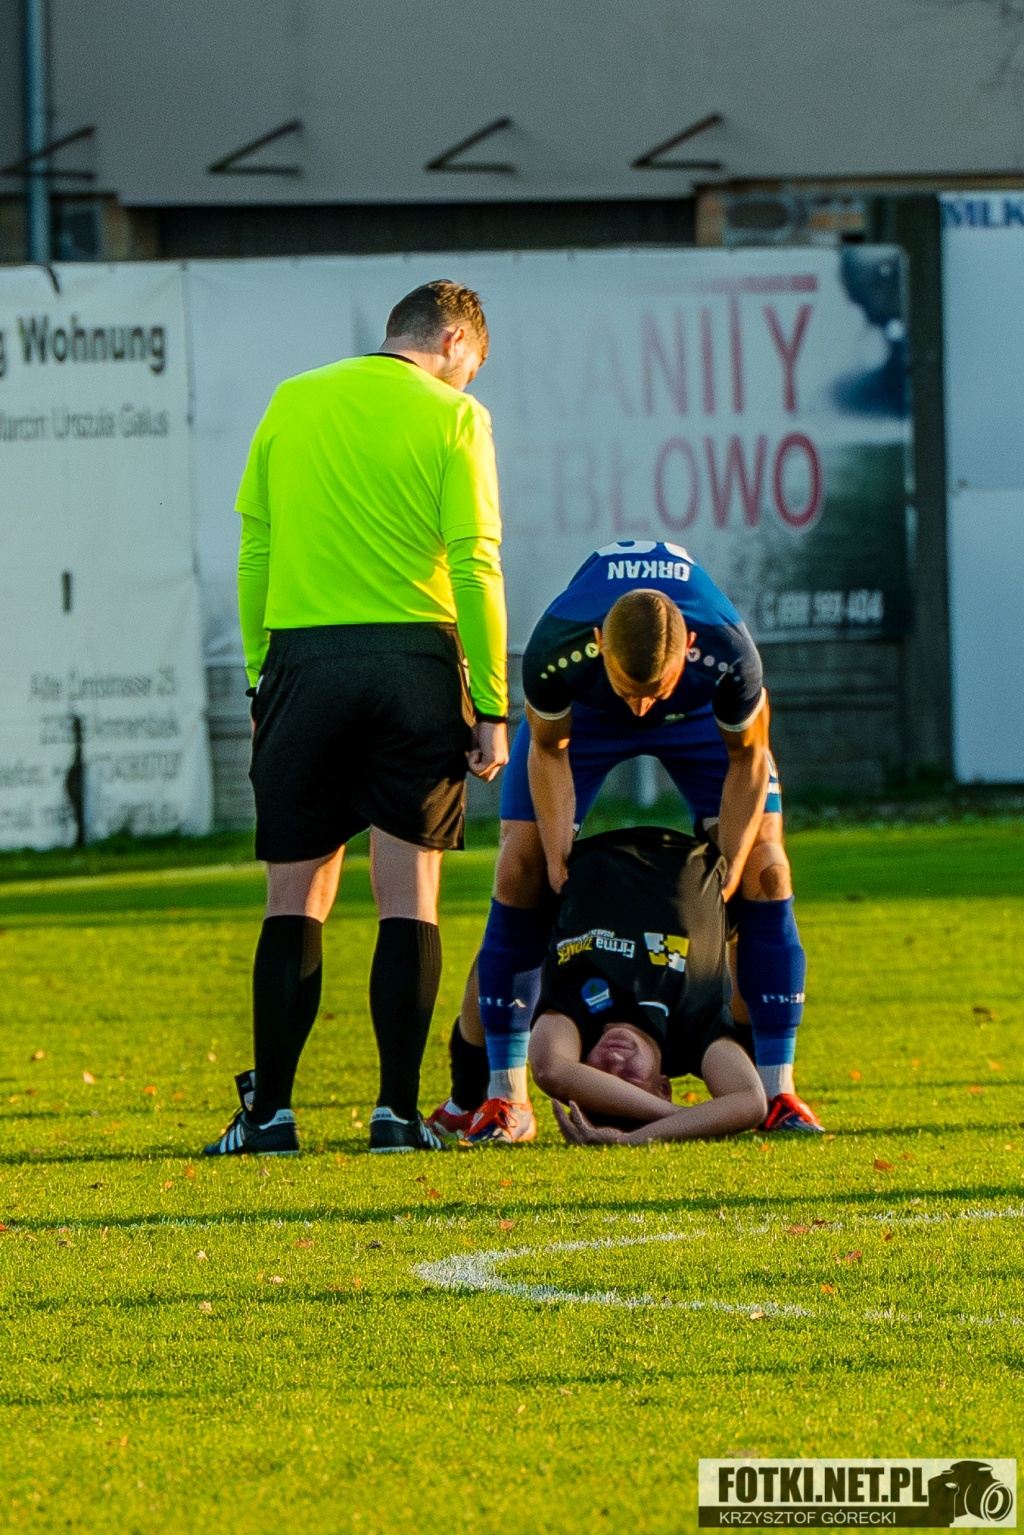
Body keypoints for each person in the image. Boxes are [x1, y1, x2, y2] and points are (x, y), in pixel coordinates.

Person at [203, 280, 509, 1158]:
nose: (468, 383)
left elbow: (255, 550)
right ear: (454, 342)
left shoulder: (292, 401)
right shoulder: (458, 418)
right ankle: (395, 1117)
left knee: (294, 895)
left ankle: (270, 1117)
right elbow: (476, 563)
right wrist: (492, 703)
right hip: (414, 662)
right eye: (471, 368)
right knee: (408, 892)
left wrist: (261, 681)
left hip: (303, 662)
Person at [428, 538, 821, 1146]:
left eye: (652, 690)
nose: (639, 706)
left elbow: (748, 758)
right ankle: (506, 1097)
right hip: (589, 715)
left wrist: (730, 866)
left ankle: (778, 1091)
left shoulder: (729, 656)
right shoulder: (557, 648)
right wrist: (558, 856)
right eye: (629, 687)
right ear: (600, 644)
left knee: (767, 868)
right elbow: (550, 749)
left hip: (695, 716)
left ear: (688, 648)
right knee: (520, 868)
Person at [528, 825, 767, 1145]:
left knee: (515, 875)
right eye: (629, 1079)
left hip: (585, 834)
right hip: (699, 845)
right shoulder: (691, 1036)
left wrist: (653, 1123)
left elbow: (551, 1070)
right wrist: (664, 1124)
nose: (615, 1062)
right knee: (770, 867)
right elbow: (751, 1103)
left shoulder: (575, 1017)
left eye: (598, 1075)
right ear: (663, 1088)